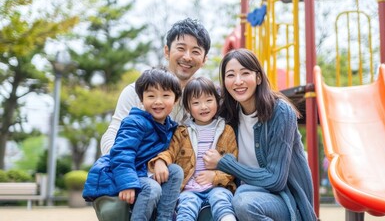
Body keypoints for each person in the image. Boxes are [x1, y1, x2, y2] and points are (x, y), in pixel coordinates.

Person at [203, 49, 317, 221]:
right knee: (220, 203)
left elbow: (275, 179)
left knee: (244, 202)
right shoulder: (227, 114)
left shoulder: (280, 112)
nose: (238, 81)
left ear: (258, 78)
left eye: (245, 73)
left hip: (286, 200)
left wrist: (223, 163)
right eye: (231, 75)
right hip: (245, 192)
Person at [83, 67, 184, 221]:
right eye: (151, 96)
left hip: (143, 171)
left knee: (175, 171)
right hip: (121, 173)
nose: (158, 101)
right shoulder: (135, 123)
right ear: (141, 99)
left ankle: (164, 218)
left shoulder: (170, 126)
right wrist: (127, 184)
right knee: (152, 188)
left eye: (165, 95)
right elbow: (122, 154)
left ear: (175, 100)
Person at [100, 17, 211, 155]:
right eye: (181, 48)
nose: (187, 57)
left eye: (195, 51)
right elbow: (112, 134)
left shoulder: (206, 100)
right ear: (167, 51)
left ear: (204, 59)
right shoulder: (135, 92)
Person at [148, 77, 237, 221]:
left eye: (209, 100)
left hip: (218, 186)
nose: (203, 107)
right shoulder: (183, 131)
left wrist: (215, 177)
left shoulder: (226, 131)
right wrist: (160, 161)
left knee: (221, 200)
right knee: (186, 207)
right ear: (188, 108)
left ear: (217, 102)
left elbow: (233, 163)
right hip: (189, 187)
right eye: (196, 103)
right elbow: (170, 152)